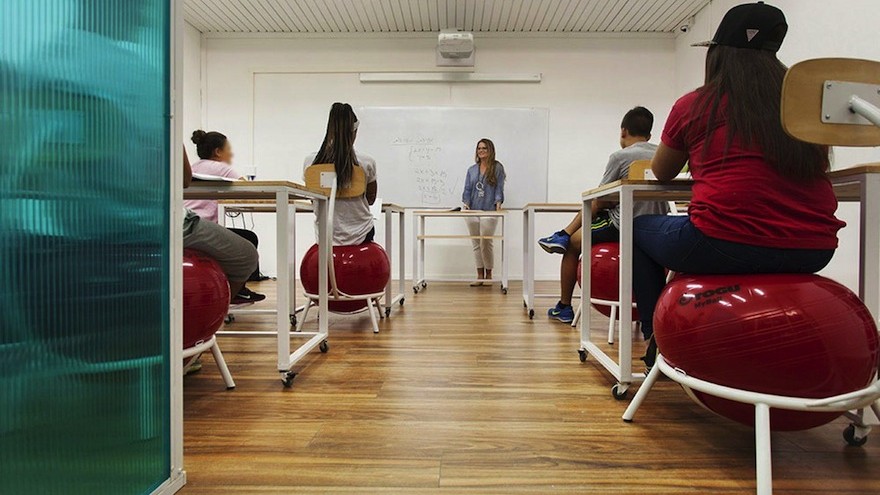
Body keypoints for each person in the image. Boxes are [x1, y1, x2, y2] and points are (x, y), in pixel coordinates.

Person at [633, 2, 844, 371]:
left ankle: (656, 338)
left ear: (717, 53)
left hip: (723, 242)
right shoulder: (804, 106)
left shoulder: (696, 104)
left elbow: (662, 172)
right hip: (814, 248)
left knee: (636, 229)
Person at [539, 107, 669, 323]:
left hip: (623, 225)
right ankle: (561, 234)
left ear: (623, 131)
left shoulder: (621, 156)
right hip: (657, 226)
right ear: (649, 135)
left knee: (573, 243)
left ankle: (563, 306)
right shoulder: (661, 156)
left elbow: (600, 199)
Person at [185, 129, 266, 304]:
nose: (232, 153)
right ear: (218, 152)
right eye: (228, 148)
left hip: (187, 222)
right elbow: (248, 189)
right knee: (249, 238)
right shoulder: (220, 168)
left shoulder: (193, 167)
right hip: (199, 227)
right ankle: (236, 291)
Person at [303, 102, 378, 245]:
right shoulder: (367, 162)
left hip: (326, 234)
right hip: (362, 232)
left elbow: (313, 199)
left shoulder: (310, 163)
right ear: (354, 131)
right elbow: (370, 199)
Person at [462, 138, 506, 287]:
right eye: (479, 148)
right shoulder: (471, 170)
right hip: (472, 210)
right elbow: (467, 189)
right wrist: (466, 204)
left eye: (484, 148)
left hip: (489, 210)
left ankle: (489, 275)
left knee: (485, 241)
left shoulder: (497, 167)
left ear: (490, 150)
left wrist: (498, 205)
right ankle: (479, 275)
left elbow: (499, 189)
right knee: (476, 243)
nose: (481, 151)